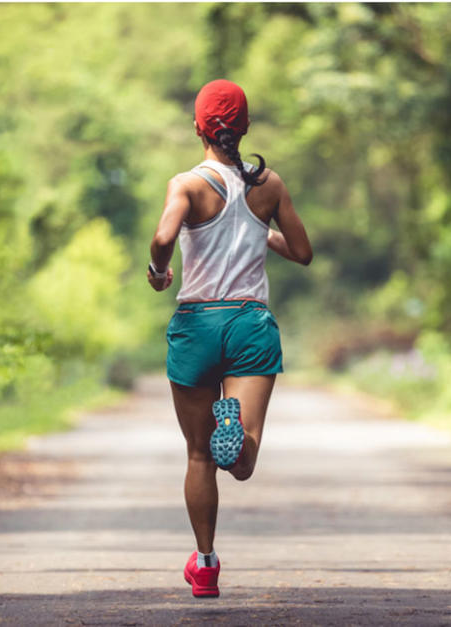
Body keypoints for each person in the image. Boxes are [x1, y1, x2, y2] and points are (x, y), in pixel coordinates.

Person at [147, 79, 313, 598]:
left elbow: (163, 238)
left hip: (198, 325)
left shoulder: (187, 185)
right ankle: (236, 441)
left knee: (198, 456)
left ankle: (206, 564)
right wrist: (258, 229)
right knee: (239, 463)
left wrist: (158, 270)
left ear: (199, 127)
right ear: (245, 128)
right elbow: (303, 252)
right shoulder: (270, 187)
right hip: (249, 325)